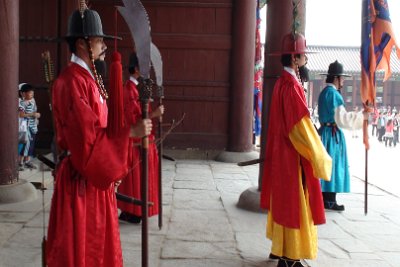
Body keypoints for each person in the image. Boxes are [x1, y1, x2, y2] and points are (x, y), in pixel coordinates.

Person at [46, 7, 152, 267]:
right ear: (83, 44)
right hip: (83, 179)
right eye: (99, 40)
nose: (104, 45)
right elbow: (87, 140)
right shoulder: (71, 82)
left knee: (99, 249)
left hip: (95, 180)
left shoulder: (88, 78)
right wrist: (130, 134)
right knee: (83, 250)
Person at [260, 33, 332, 267]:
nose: (304, 60)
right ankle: (290, 257)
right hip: (292, 155)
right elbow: (299, 127)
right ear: (295, 58)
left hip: (281, 154)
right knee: (294, 205)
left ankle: (281, 250)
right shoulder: (291, 86)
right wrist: (318, 153)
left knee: (283, 202)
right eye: (302, 55)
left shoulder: (282, 82)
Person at [117, 53, 164, 223]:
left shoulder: (137, 88)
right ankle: (133, 210)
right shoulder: (128, 90)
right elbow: (134, 121)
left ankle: (138, 209)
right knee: (136, 179)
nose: (148, 70)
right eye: (145, 67)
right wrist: (153, 114)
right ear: (136, 69)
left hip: (145, 139)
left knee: (143, 178)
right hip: (136, 142)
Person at [318, 60, 370, 211]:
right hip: (332, 136)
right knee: (333, 166)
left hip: (324, 133)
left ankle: (324, 198)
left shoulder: (323, 93)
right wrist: (363, 116)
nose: (343, 81)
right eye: (342, 78)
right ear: (336, 78)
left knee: (325, 166)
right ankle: (329, 200)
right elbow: (343, 119)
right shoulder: (334, 94)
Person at [18, 83, 40, 170]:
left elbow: (35, 110)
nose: (32, 95)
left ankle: (27, 161)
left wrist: (36, 118)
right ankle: (20, 162)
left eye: (32, 93)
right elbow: (21, 115)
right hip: (25, 127)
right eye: (30, 93)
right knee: (24, 144)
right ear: (23, 93)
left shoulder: (32, 101)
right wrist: (33, 114)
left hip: (32, 126)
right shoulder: (21, 103)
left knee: (31, 144)